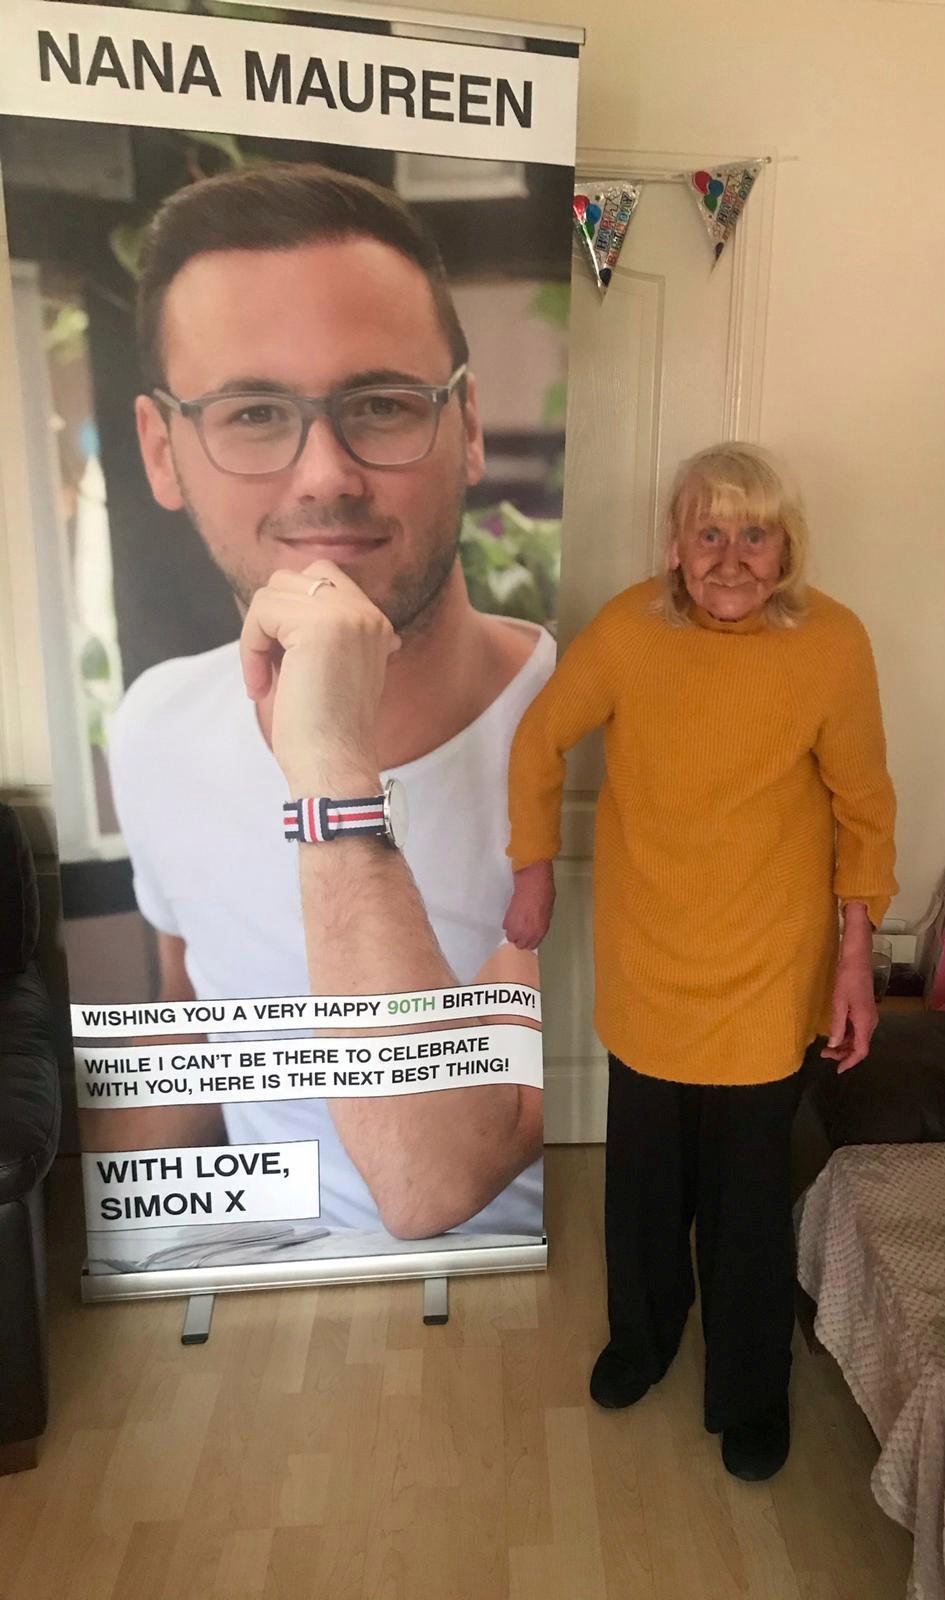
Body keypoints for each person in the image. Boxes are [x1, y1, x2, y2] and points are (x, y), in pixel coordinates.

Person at [87, 163, 551, 1246]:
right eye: (253, 413)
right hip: (271, 1301)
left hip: (523, 1328)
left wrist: (332, 771)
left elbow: (433, 1181)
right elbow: (203, 1025)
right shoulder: (157, 724)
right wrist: (98, 1246)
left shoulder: (596, 737)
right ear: (163, 450)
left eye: (382, 404)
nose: (323, 475)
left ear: (469, 426)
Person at [503, 443, 897, 1480]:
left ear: (785, 546)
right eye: (709, 532)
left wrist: (856, 959)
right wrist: (532, 869)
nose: (731, 557)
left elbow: (865, 808)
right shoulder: (630, 630)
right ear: (676, 546)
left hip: (772, 965)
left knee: (749, 1201)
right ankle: (643, 1338)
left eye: (752, 532)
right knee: (644, 1184)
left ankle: (750, 1389)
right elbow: (539, 740)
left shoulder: (834, 644)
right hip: (649, 959)